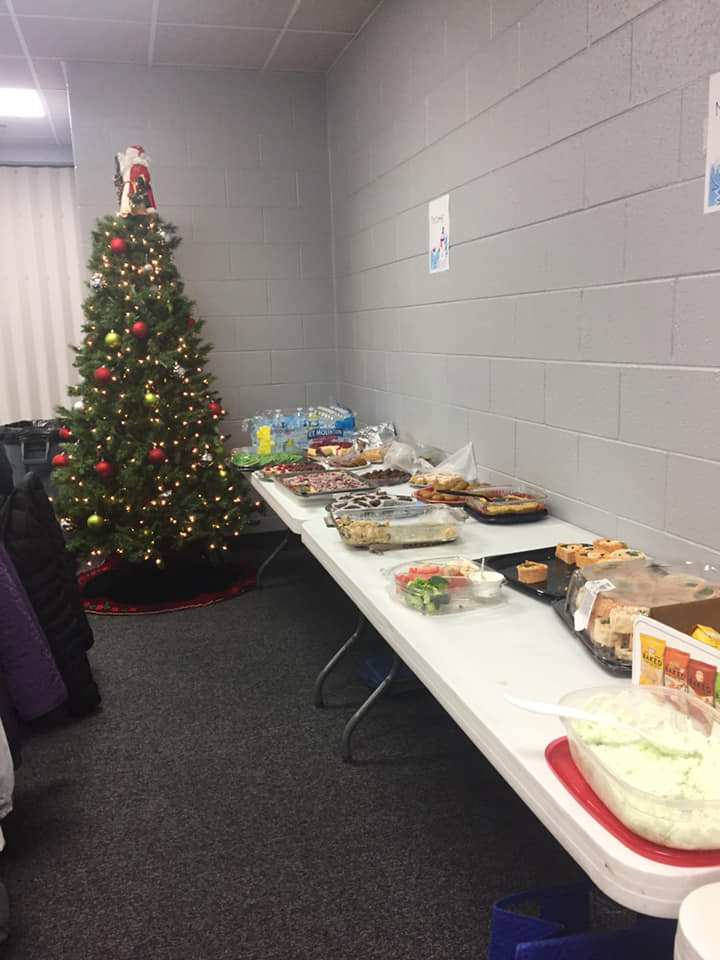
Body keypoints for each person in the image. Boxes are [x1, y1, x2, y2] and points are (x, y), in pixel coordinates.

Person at [116, 145, 157, 216]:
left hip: (136, 189)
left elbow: (146, 177)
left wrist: (141, 180)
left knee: (138, 205)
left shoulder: (140, 166)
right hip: (126, 189)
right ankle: (125, 212)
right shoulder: (126, 168)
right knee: (126, 204)